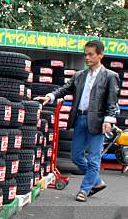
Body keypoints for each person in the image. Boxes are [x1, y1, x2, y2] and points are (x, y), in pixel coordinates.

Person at [34, 40, 120, 202]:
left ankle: (84, 190)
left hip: (99, 121)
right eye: (85, 54)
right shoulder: (80, 76)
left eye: (91, 54)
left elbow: (112, 101)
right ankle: (96, 182)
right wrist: (49, 96)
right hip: (79, 118)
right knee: (76, 157)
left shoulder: (110, 76)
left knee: (94, 157)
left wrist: (108, 120)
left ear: (100, 55)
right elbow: (65, 89)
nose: (87, 57)